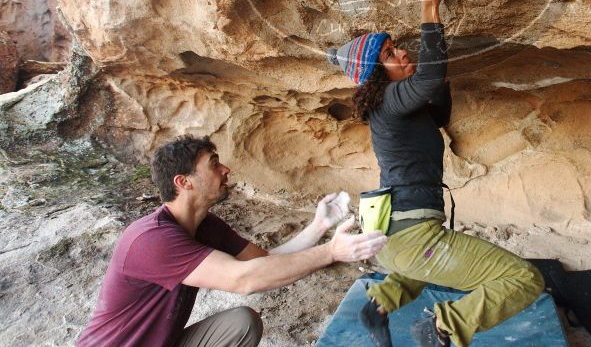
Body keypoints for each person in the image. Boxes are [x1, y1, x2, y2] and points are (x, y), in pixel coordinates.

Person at [326, 0, 545, 347]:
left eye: (396, 46)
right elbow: (427, 81)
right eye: (390, 53)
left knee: (421, 267)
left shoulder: (397, 107)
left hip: (396, 240)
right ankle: (444, 327)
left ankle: (380, 303)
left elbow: (438, 115)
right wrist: (430, 6)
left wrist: (438, 82)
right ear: (378, 74)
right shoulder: (389, 102)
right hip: (410, 237)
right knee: (523, 279)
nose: (402, 51)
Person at [77, 135, 386, 347]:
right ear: (183, 183)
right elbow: (244, 280)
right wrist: (331, 252)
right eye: (214, 164)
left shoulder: (205, 224)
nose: (226, 170)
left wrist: (319, 225)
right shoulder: (151, 240)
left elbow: (262, 261)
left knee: (242, 323)